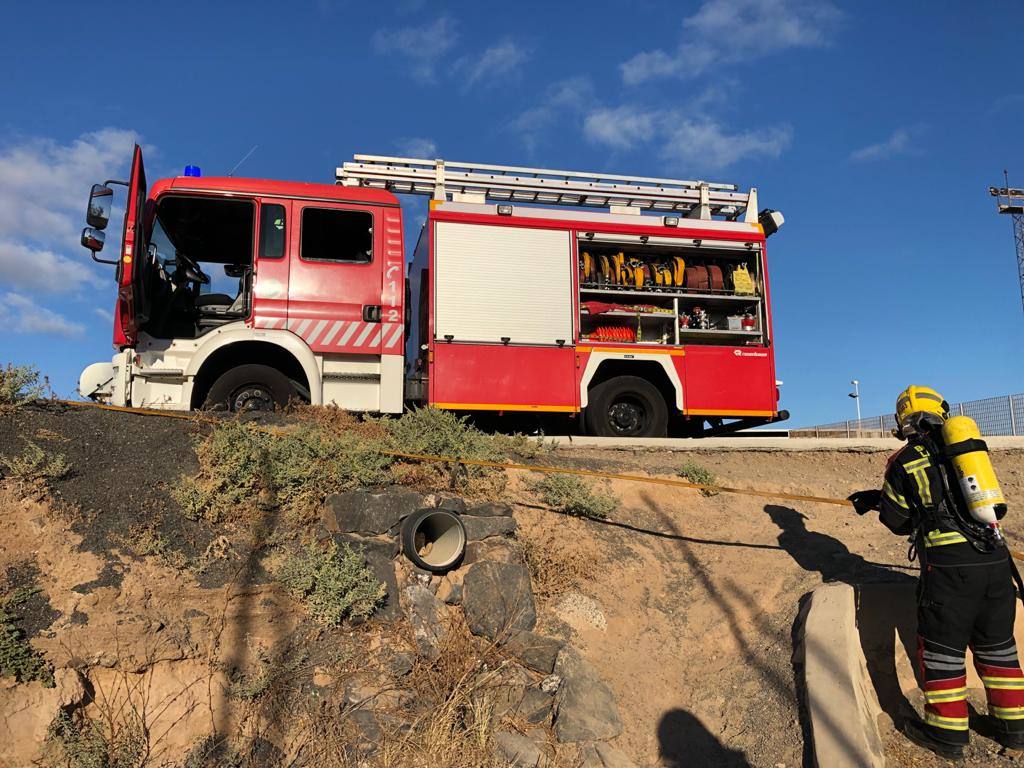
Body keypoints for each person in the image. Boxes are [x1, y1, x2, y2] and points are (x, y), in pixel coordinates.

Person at [848, 385, 1024, 759]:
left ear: (903, 422)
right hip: (995, 564)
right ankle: (1015, 730)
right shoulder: (967, 452)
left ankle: (946, 737)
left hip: (949, 571)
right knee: (998, 649)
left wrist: (879, 501)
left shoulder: (904, 460)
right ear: (941, 413)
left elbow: (898, 521)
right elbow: (956, 499)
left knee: (942, 652)